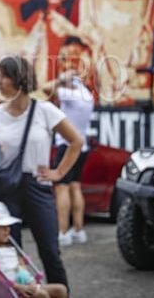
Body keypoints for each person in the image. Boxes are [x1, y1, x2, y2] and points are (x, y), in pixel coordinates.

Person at [0, 56, 82, 292]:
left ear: (20, 79)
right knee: (10, 255)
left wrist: (58, 172)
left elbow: (76, 141)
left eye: (4, 77)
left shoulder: (44, 110)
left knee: (50, 251)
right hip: (5, 189)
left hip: (37, 187)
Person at [42, 38, 95, 246]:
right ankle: (78, 230)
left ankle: (63, 231)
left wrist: (61, 78)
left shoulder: (71, 94)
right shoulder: (87, 95)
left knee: (61, 188)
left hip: (67, 145)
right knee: (75, 186)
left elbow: (46, 89)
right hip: (83, 146)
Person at [0, 201, 67, 298]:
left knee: (61, 289)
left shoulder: (10, 248)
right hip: (12, 290)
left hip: (25, 285)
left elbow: (20, 269)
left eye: (8, 226)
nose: (8, 230)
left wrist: (30, 280)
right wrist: (19, 287)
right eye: (2, 227)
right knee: (41, 295)